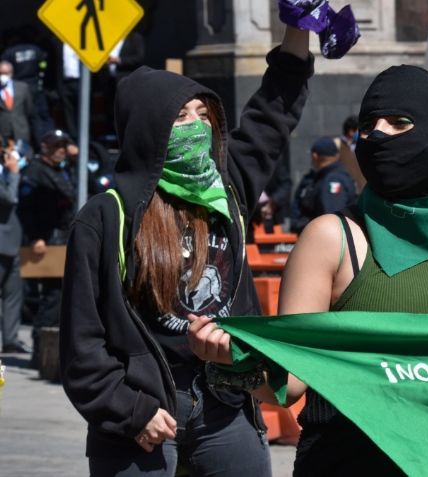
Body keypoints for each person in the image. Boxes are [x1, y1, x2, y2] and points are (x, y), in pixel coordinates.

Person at [188, 64, 428, 474]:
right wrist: (231, 361)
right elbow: (288, 382)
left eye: (400, 122)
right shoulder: (331, 238)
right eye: (369, 125)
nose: (378, 135)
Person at [58, 25, 311, 476]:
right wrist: (129, 411)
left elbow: (272, 115)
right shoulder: (106, 217)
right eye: (180, 117)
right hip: (145, 413)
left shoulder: (225, 189)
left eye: (203, 113)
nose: (197, 125)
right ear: (148, 130)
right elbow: (82, 344)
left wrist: (298, 31)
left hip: (225, 403)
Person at [19, 129, 76, 363]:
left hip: (64, 238)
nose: (62, 151)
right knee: (52, 298)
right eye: (57, 147)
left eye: (64, 146)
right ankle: (41, 352)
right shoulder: (35, 172)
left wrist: (75, 158)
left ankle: (53, 352)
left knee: (64, 298)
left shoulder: (62, 170)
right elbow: (26, 208)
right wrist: (35, 237)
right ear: (45, 148)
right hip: (49, 241)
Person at [289, 136, 356, 233]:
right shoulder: (323, 177)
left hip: (324, 240)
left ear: (314, 156)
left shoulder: (333, 180)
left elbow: (332, 221)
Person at [0, 137, 26, 354]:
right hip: (1, 242)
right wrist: (14, 173)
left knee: (13, 293)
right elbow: (9, 198)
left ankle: (11, 339)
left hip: (13, 241)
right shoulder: (8, 173)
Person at [0, 61, 35, 152]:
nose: (3, 76)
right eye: (1, 73)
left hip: (20, 129)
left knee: (23, 155)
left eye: (6, 73)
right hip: (3, 131)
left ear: (11, 73)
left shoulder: (23, 87)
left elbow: (29, 109)